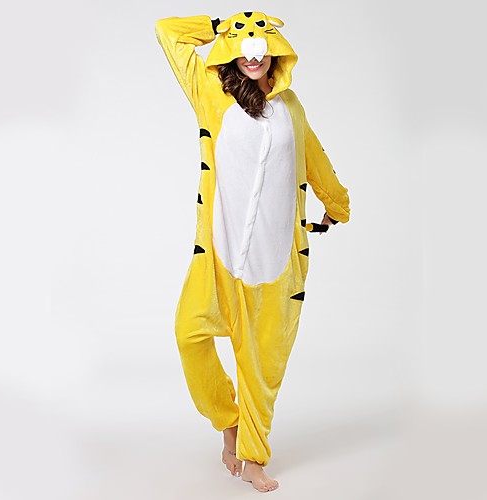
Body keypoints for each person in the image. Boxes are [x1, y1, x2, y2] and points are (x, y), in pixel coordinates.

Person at [155, 11, 350, 493]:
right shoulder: (209, 91)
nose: (253, 54)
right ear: (230, 51)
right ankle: (229, 422)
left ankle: (252, 458)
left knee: (261, 369)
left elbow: (314, 156)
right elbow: (167, 32)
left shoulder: (291, 107)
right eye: (243, 45)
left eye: (261, 44)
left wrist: (337, 205)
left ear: (277, 51)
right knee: (189, 334)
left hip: (275, 262)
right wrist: (221, 24)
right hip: (218, 259)